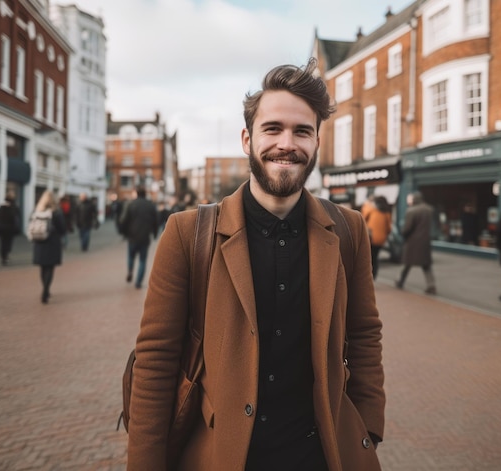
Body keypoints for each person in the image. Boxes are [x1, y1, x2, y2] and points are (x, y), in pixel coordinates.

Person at [127, 59, 385, 471]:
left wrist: (367, 426)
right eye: (273, 129)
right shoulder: (186, 233)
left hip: (321, 456)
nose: (287, 143)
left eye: (302, 131)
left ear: (317, 142)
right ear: (248, 140)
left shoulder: (348, 229)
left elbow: (364, 335)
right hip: (223, 455)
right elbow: (155, 359)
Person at [395, 191, 437, 295]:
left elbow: (407, 228)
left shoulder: (412, 211)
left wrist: (403, 234)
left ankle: (400, 281)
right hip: (425, 241)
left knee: (407, 263)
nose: (408, 201)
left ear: (414, 200)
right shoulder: (429, 209)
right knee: (426, 265)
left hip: (412, 242)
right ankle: (431, 285)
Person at [31, 190, 66, 304]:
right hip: (52, 242)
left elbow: (30, 223)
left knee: (43, 267)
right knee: (50, 268)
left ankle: (45, 289)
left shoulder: (36, 211)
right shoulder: (56, 212)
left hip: (39, 242)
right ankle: (46, 291)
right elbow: (62, 229)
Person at [119, 186, 158, 289]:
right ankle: (138, 282)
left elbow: (123, 220)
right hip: (145, 237)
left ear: (136, 193)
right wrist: (154, 233)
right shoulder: (150, 205)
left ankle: (130, 271)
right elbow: (156, 220)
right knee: (142, 260)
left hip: (132, 236)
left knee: (131, 256)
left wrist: (124, 233)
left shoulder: (131, 204)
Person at [361, 195, 392, 279]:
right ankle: (374, 276)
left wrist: (366, 204)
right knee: (375, 257)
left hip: (370, 238)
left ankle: (368, 277)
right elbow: (389, 228)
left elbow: (361, 219)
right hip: (381, 239)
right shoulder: (387, 213)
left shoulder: (371, 210)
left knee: (368, 257)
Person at [0, 191, 21, 265]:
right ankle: (5, 257)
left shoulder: (2, 206)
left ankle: (4, 257)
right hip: (9, 229)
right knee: (8, 243)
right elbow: (16, 216)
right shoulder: (14, 206)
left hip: (2, 229)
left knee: (3, 243)